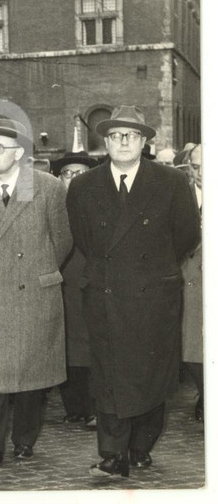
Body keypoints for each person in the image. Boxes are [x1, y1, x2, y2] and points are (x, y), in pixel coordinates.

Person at [67, 106, 200, 478]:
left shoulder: (172, 183)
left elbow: (186, 236)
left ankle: (141, 444)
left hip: (153, 293)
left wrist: (155, 271)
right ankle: (112, 454)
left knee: (150, 373)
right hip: (105, 292)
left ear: (144, 142)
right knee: (108, 375)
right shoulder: (83, 186)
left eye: (131, 135)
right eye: (115, 135)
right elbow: (84, 239)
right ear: (105, 142)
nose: (123, 142)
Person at [0, 118, 72, 465]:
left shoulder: (49, 187)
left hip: (32, 290)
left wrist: (37, 269)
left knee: (31, 372)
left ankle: (24, 439)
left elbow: (62, 239)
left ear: (20, 153)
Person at [51, 150, 100, 430]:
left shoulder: (98, 202)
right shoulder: (53, 203)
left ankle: (93, 406)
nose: (71, 178)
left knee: (90, 343)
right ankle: (73, 406)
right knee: (65, 343)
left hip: (89, 278)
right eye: (66, 173)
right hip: (61, 277)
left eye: (78, 173)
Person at [181, 143, 203, 423]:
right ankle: (204, 393)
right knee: (192, 350)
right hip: (188, 282)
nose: (201, 174)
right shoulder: (180, 197)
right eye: (196, 167)